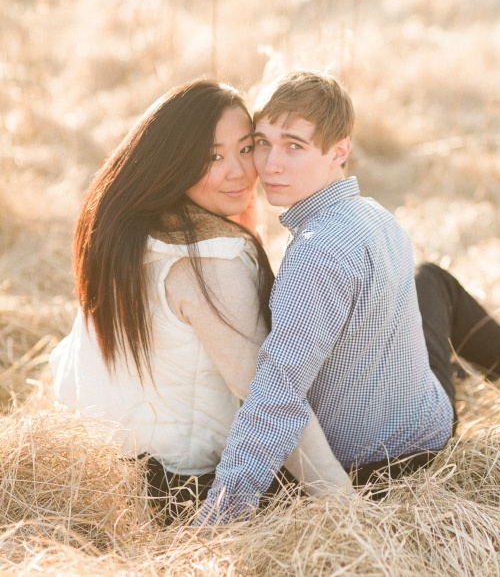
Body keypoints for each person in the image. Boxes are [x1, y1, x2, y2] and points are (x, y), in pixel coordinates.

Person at [197, 70, 500, 524]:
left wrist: (217, 517)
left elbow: (277, 394)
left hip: (378, 463)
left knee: (428, 281)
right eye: (262, 142)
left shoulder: (316, 253)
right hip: (419, 431)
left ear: (340, 152)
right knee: (430, 279)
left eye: (294, 145)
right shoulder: (374, 215)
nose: (270, 164)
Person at [50, 79, 352, 522]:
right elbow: (268, 397)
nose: (240, 172)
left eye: (246, 148)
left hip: (110, 469)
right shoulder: (209, 262)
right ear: (174, 163)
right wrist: (346, 507)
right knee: (430, 286)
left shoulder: (133, 232)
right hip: (186, 488)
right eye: (212, 157)